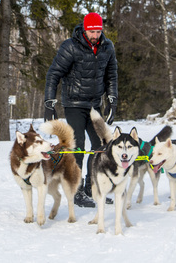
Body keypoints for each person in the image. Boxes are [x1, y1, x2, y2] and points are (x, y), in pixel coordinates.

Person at [44, 12, 118, 208]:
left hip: (94, 104)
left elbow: (111, 75)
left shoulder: (107, 47)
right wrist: (49, 103)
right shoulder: (71, 46)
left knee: (100, 145)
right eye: (92, 31)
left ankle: (90, 187)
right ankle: (75, 191)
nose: (95, 35)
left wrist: (112, 99)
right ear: (85, 29)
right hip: (74, 104)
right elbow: (54, 73)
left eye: (98, 31)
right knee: (78, 145)